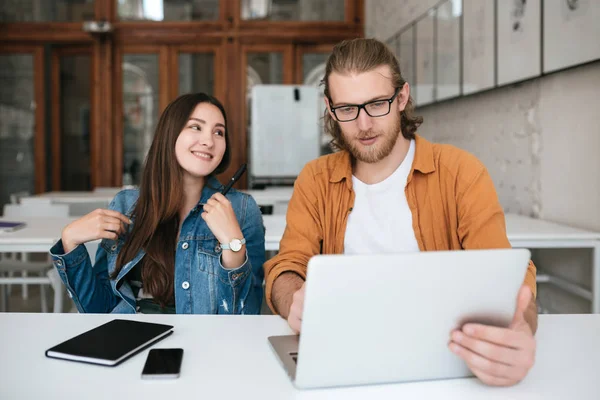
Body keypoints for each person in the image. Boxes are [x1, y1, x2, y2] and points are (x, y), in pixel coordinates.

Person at [264, 38, 537, 386]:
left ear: (402, 97)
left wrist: (520, 328)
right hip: (343, 358)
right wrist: (294, 301)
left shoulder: (461, 173)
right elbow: (286, 268)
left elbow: (507, 277)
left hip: (443, 359)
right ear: (330, 109)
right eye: (347, 109)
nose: (363, 125)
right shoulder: (315, 180)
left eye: (377, 104)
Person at [50, 93, 265, 315]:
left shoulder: (242, 210)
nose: (208, 141)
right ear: (170, 134)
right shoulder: (126, 204)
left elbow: (245, 317)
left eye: (218, 132)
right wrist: (70, 241)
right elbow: (100, 309)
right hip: (129, 343)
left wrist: (233, 246)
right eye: (196, 127)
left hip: (204, 345)